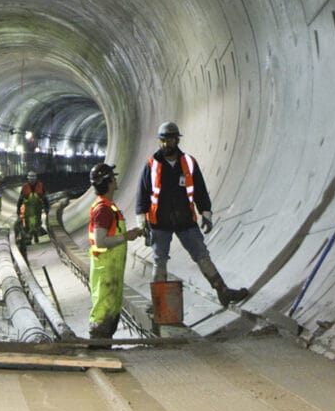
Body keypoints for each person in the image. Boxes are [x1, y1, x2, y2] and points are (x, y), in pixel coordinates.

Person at [135, 122, 249, 306]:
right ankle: (159, 304)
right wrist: (142, 223)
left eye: (169, 140)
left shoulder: (188, 162)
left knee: (202, 255)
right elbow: (142, 194)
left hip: (185, 220)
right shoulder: (152, 164)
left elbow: (200, 191)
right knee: (159, 261)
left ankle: (223, 291)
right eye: (162, 141)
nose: (165, 145)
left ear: (177, 140)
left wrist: (206, 213)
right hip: (159, 222)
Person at [88, 163, 144, 338]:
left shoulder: (107, 206)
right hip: (106, 272)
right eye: (113, 177)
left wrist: (129, 235)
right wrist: (126, 237)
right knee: (103, 316)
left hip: (109, 270)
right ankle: (97, 351)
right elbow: (101, 240)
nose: (115, 179)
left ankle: (102, 350)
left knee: (108, 315)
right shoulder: (103, 210)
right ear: (109, 182)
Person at [17, 170, 49, 243]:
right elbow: (21, 199)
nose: (32, 181)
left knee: (36, 224)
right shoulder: (25, 187)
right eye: (30, 179)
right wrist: (18, 208)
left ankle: (35, 235)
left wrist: (47, 207)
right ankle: (29, 238)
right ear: (28, 179)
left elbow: (45, 198)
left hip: (37, 209)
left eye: (33, 179)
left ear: (35, 179)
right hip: (28, 210)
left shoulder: (40, 186)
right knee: (28, 225)